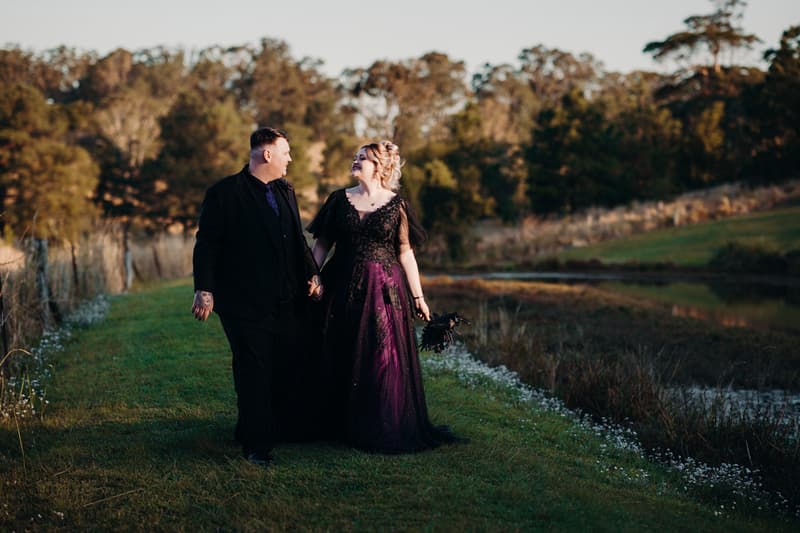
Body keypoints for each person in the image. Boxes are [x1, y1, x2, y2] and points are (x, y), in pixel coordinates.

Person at [308, 140, 460, 453]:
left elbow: (405, 252)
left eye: (362, 158)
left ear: (380, 166)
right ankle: (336, 423)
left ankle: (380, 423)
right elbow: (322, 243)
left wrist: (418, 297)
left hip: (383, 289)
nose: (355, 161)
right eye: (355, 157)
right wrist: (313, 274)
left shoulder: (397, 205)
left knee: (380, 354)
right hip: (341, 283)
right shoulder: (338, 200)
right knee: (340, 348)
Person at [191, 127, 323, 466]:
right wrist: (204, 289)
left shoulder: (285, 191)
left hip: (286, 297)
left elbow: (296, 238)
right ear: (266, 154)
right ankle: (256, 445)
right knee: (252, 368)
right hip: (242, 301)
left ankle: (263, 427)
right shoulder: (224, 193)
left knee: (282, 365)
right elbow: (207, 245)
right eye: (285, 152)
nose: (289, 159)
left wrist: (312, 273)